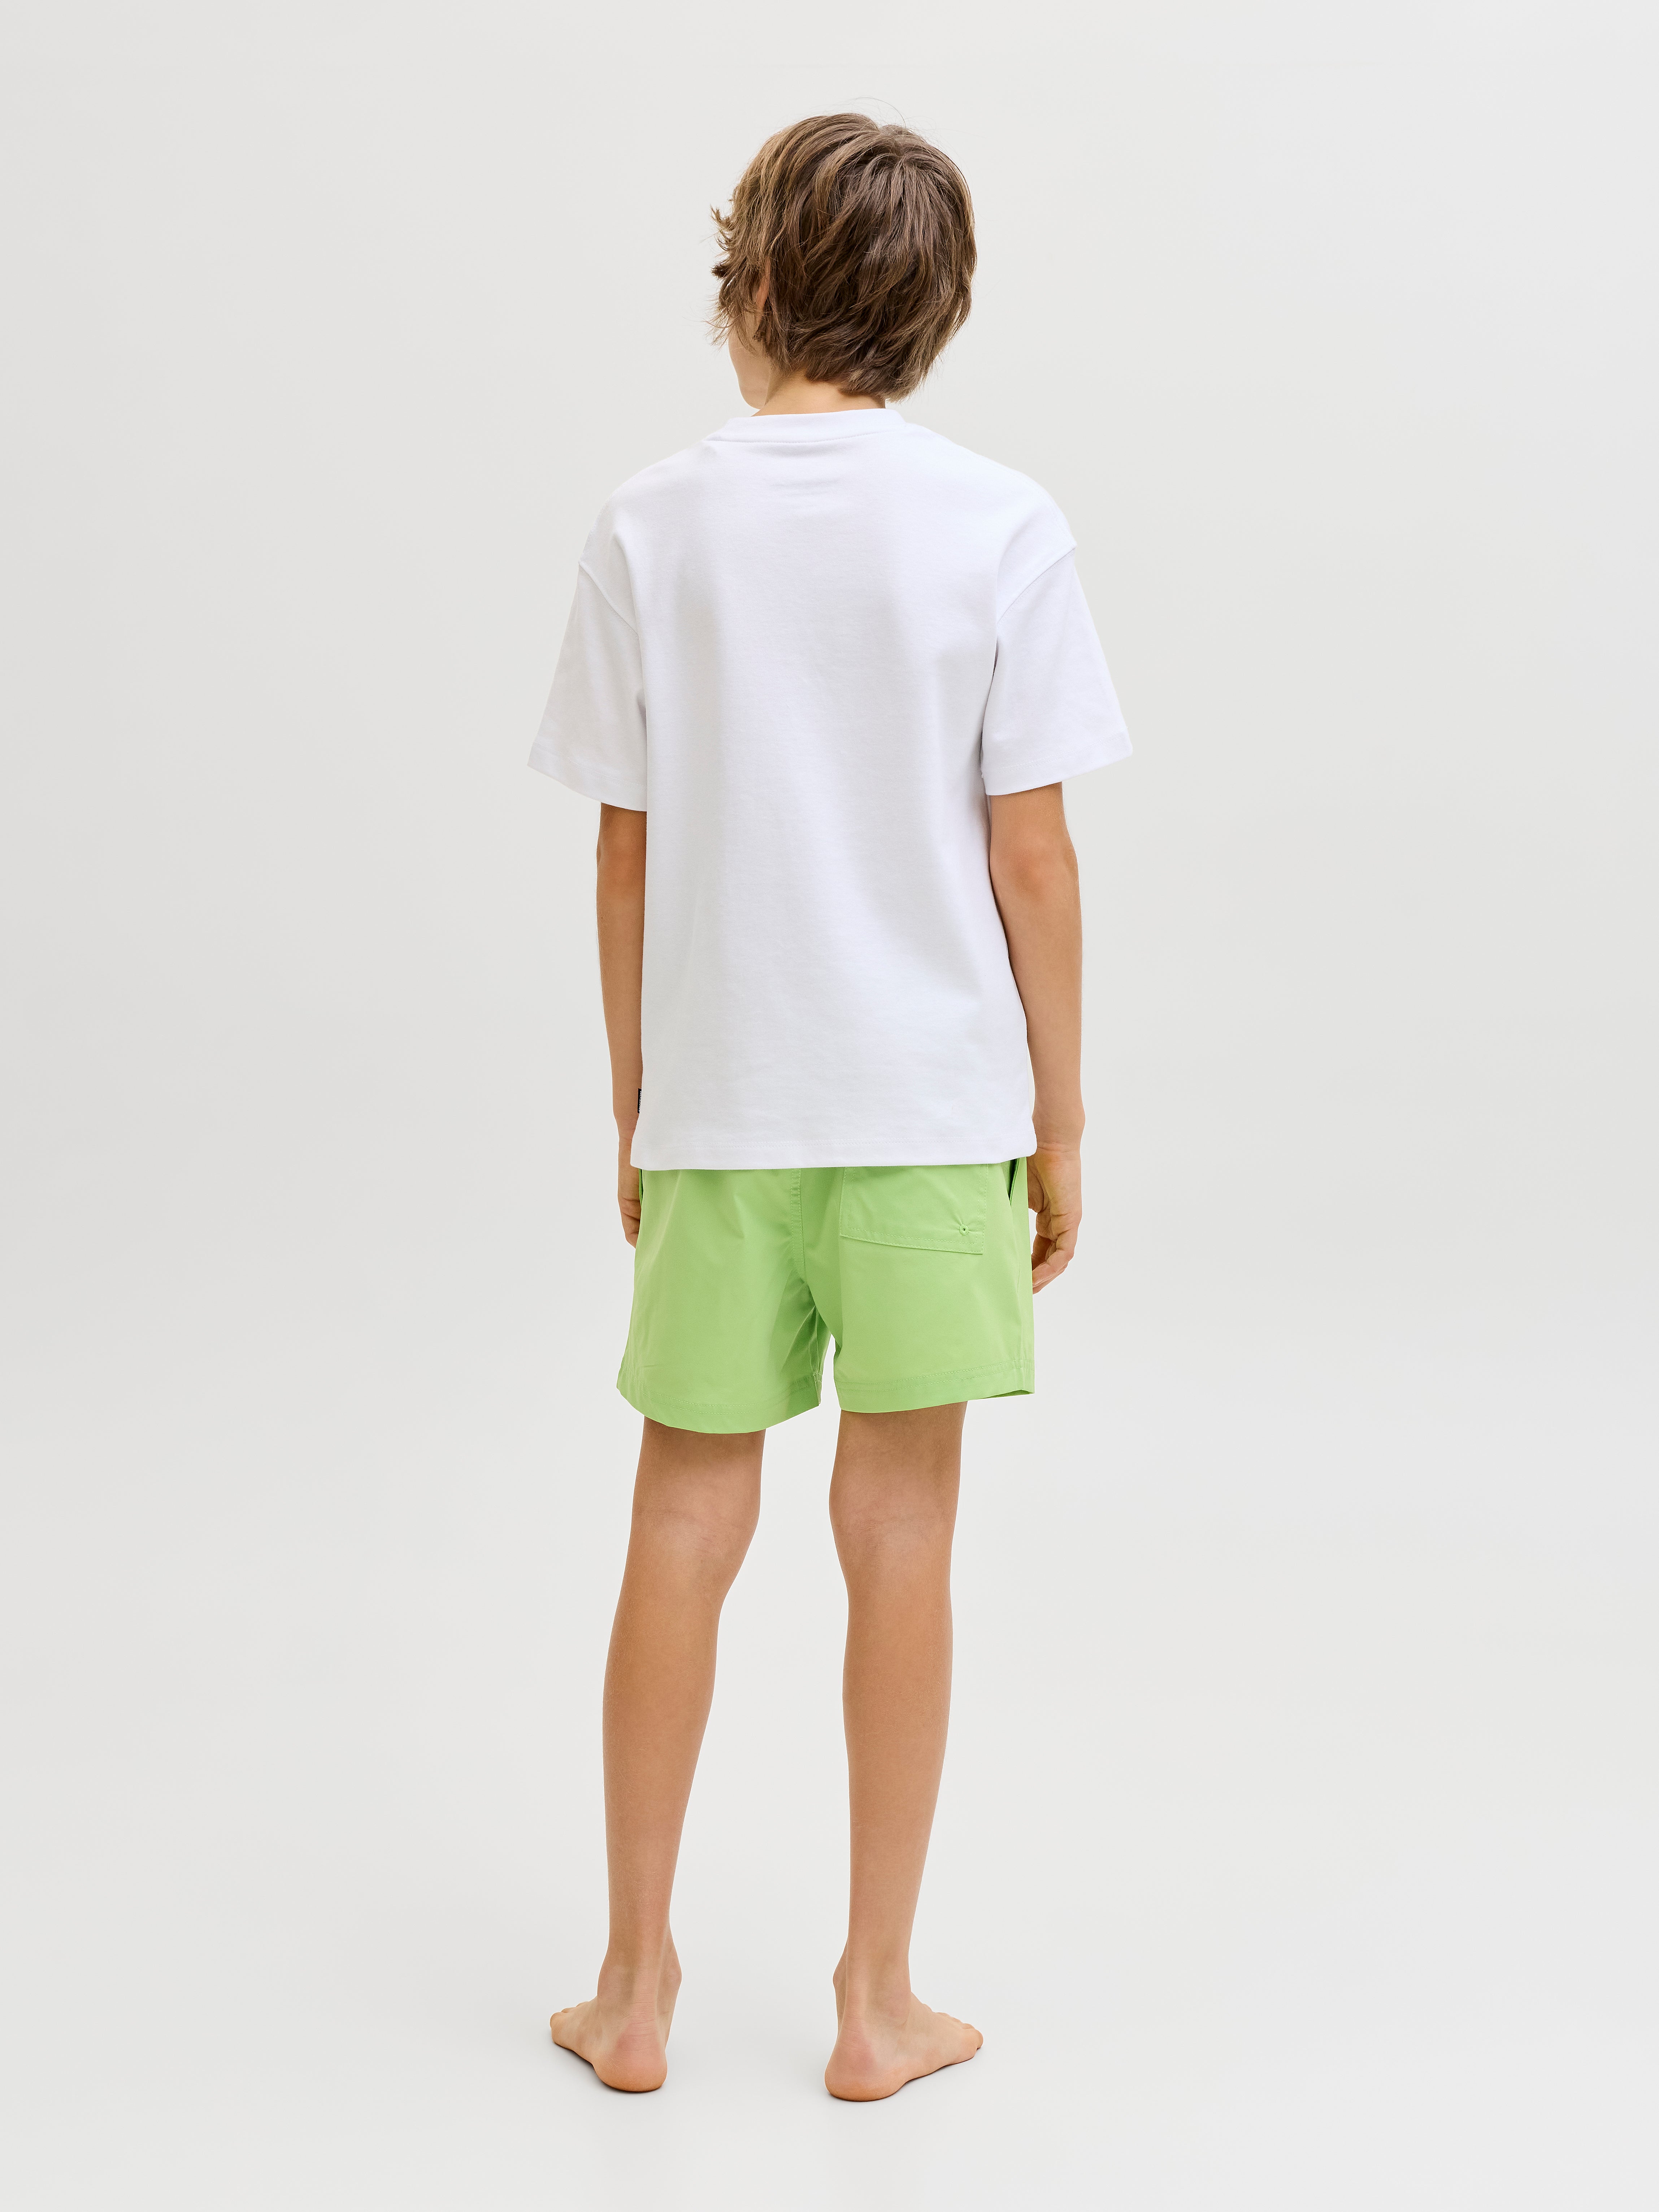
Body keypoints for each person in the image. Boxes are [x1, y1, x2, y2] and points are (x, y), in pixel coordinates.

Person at [531, 113, 1129, 2102]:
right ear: (932, 313)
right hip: (933, 1113)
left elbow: (624, 853)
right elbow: (1032, 854)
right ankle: (878, 2002)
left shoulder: (652, 524)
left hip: (724, 1111)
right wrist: (1058, 1122)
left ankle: (633, 1989)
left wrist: (638, 1096)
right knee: (902, 1532)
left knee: (679, 1518)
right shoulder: (999, 523)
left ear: (755, 282)